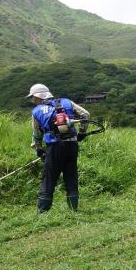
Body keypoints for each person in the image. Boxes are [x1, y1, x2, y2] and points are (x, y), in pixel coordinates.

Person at [28, 84, 90, 214]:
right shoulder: (66, 102)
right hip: (72, 145)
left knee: (49, 178)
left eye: (33, 97)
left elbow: (37, 134)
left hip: (54, 147)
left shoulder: (37, 111)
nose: (32, 101)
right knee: (71, 175)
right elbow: (85, 114)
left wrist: (39, 150)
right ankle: (73, 210)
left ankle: (42, 212)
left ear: (38, 97)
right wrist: (82, 133)